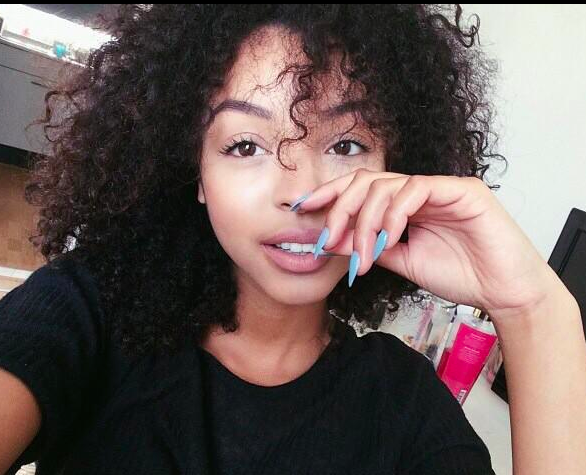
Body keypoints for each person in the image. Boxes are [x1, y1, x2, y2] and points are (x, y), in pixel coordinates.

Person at [1, 4, 585, 475]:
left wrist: (534, 308)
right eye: (245, 146)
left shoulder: (405, 407)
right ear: (195, 173)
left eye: (346, 145)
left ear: (396, 165)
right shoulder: (88, 309)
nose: (300, 191)